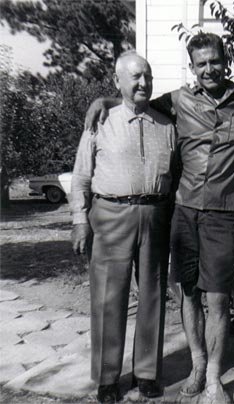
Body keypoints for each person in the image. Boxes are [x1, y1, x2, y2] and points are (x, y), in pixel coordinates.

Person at [85, 33, 234, 404]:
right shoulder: (178, 101)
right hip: (184, 211)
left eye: (215, 61)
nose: (209, 68)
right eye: (201, 63)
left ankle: (214, 378)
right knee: (188, 293)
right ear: (192, 67)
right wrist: (104, 100)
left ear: (225, 61)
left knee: (217, 299)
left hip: (223, 214)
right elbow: (135, 100)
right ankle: (197, 364)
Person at [71, 50, 176, 404]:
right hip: (111, 214)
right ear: (117, 81)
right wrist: (79, 221)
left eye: (148, 76)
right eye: (135, 77)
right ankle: (107, 378)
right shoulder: (100, 120)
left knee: (153, 294)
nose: (144, 83)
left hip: (155, 215)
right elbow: (81, 177)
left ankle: (147, 373)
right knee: (108, 297)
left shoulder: (167, 125)